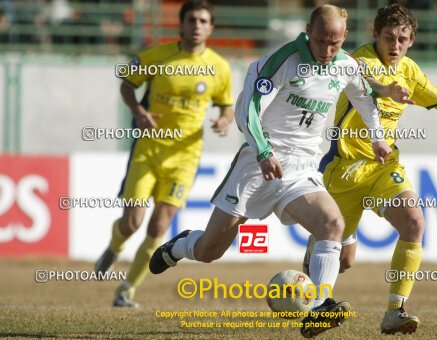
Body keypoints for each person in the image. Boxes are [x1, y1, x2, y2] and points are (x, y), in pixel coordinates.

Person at [148, 5, 413, 339]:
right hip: (259, 165)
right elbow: (247, 110)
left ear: (344, 37)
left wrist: (377, 137)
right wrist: (263, 152)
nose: (327, 51)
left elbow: (363, 96)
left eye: (334, 43)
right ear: (307, 31)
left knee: (331, 224)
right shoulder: (281, 62)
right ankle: (180, 247)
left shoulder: (345, 64)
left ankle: (318, 306)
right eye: (320, 41)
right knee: (209, 252)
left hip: (302, 168)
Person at [302, 3, 437, 335]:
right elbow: (368, 80)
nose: (395, 46)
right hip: (345, 171)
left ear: (411, 41)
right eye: (389, 37)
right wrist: (386, 89)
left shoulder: (409, 69)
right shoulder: (358, 61)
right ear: (375, 35)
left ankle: (395, 310)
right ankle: (311, 297)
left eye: (403, 39)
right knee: (342, 260)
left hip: (382, 167)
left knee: (413, 221)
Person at [94, 0, 234, 308]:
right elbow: (127, 84)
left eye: (203, 21)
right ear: (181, 25)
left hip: (185, 158)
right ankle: (115, 246)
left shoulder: (219, 68)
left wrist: (224, 119)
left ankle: (127, 289)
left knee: (158, 227)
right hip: (148, 150)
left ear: (210, 27)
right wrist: (139, 111)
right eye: (192, 20)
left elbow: (226, 105)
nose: (197, 26)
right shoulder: (156, 57)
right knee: (132, 222)